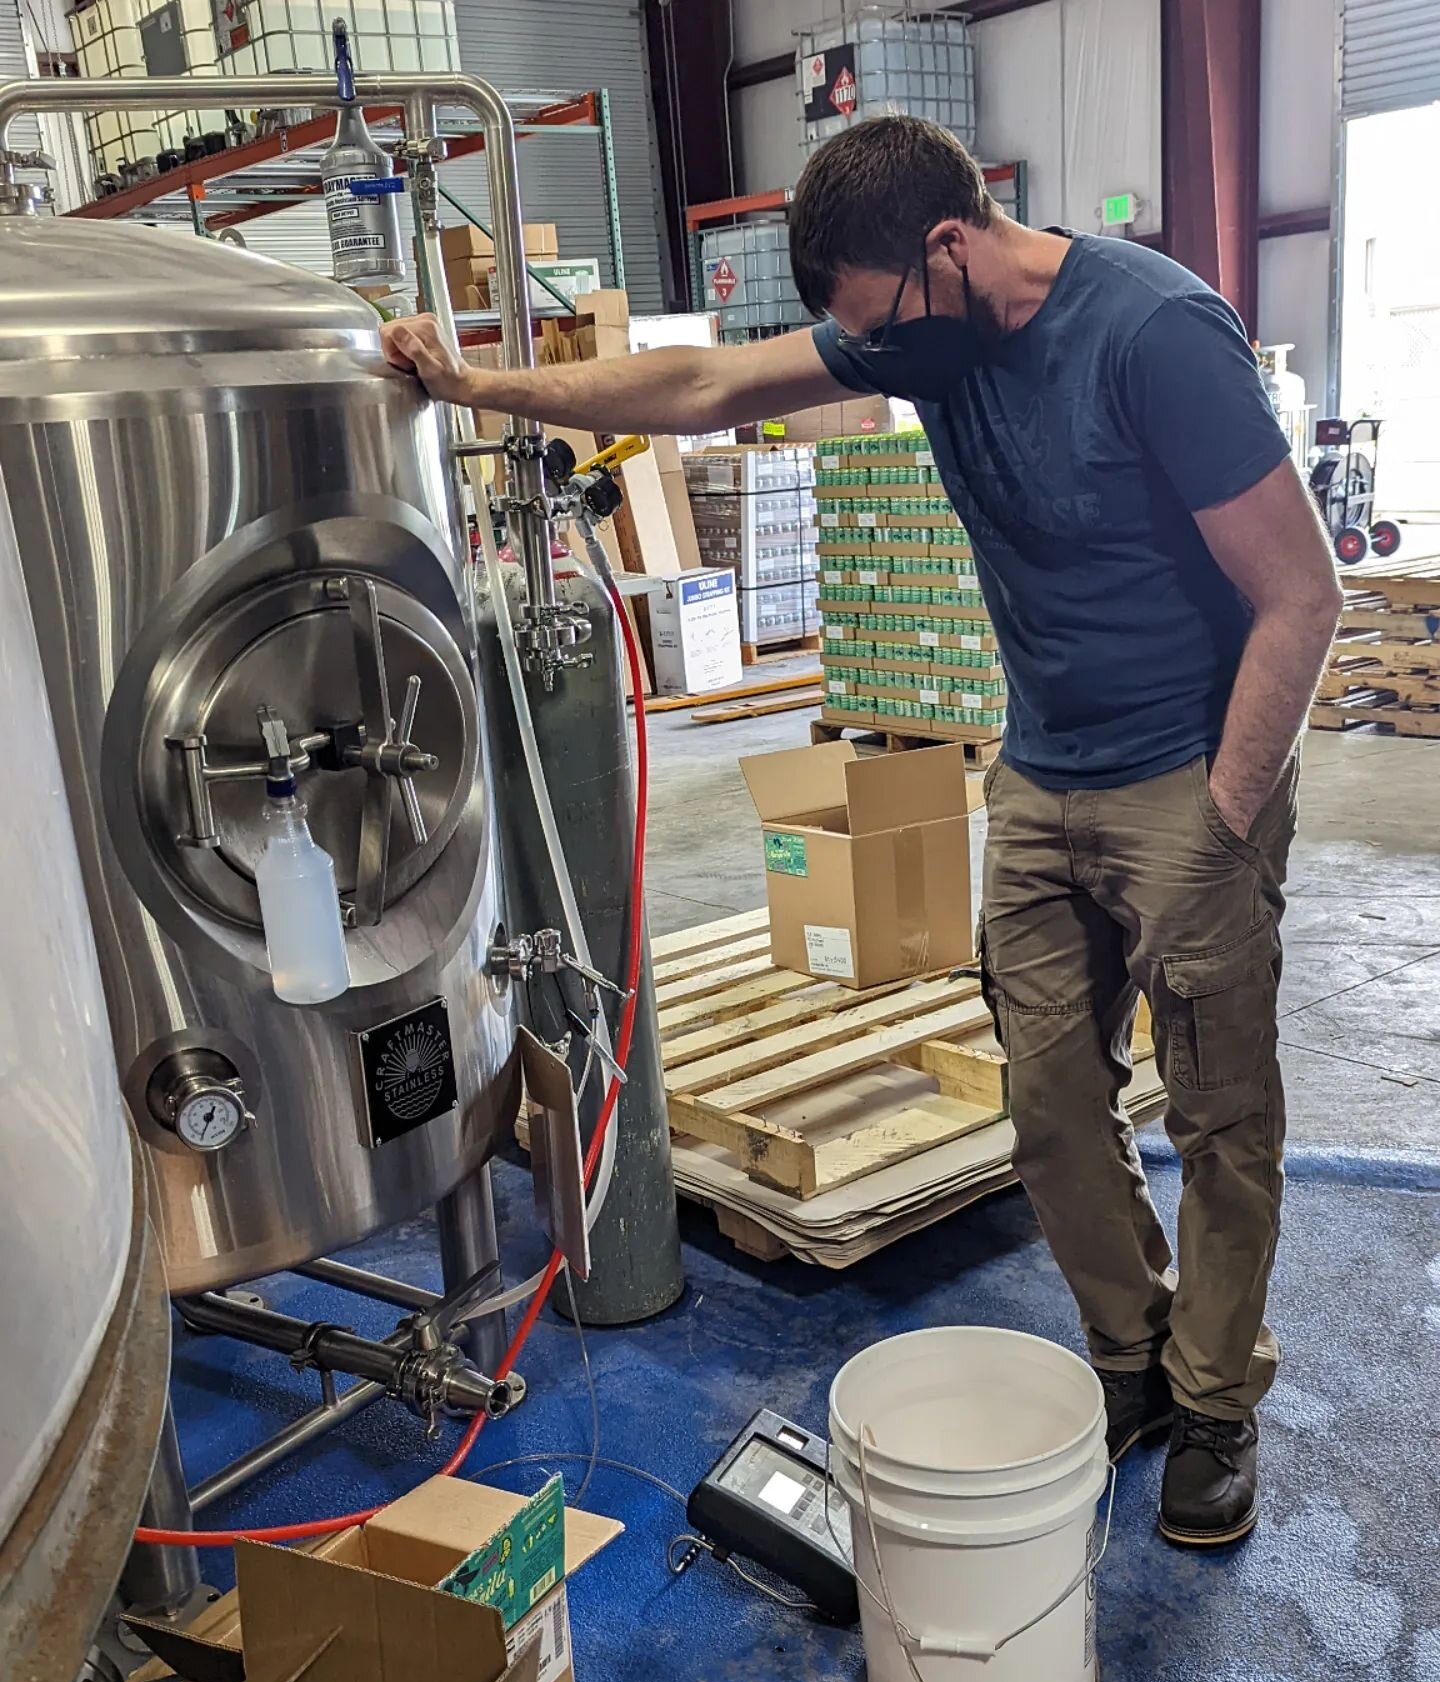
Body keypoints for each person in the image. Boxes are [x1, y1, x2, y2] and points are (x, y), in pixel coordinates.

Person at [382, 115, 1343, 1549]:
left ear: (951, 246)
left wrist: (1221, 815)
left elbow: (1303, 597)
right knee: (1050, 1109)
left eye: (882, 325)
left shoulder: (1153, 337)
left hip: (1185, 781)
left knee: (1221, 1122)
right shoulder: (914, 328)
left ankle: (1213, 1409)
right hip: (1039, 775)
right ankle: (1133, 1359)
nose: (872, 361)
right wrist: (479, 384)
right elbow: (702, 378)